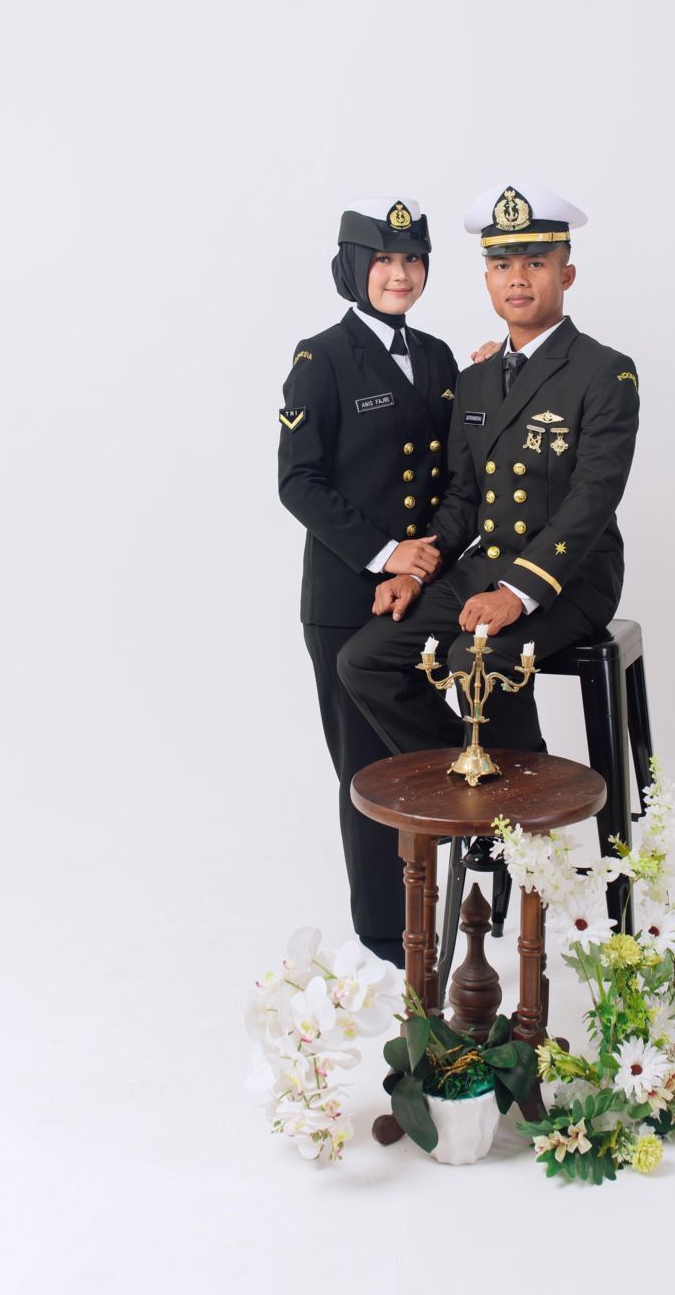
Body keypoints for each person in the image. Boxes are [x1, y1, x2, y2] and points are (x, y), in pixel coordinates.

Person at [336, 182, 640, 784]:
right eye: (502, 265)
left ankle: (522, 818)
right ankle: (486, 782)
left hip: (570, 575)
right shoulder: (474, 380)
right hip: (485, 565)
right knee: (365, 660)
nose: (517, 278)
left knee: (478, 656)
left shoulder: (605, 371)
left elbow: (593, 498)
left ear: (566, 274)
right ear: (486, 279)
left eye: (535, 263)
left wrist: (518, 593)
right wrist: (416, 570)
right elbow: (463, 497)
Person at [277, 196, 459, 968]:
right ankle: (389, 943)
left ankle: (457, 905)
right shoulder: (320, 358)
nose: (400, 273)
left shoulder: (441, 357)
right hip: (349, 598)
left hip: (427, 594)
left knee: (433, 750)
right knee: (368, 771)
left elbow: (458, 470)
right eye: (383, 259)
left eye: (412, 258)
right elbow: (299, 481)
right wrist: (388, 554)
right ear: (353, 268)